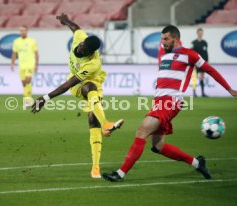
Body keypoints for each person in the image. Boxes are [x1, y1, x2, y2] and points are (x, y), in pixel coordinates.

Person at [102, 25, 237, 182]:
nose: (162, 42)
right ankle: (197, 163)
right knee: (158, 146)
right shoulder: (164, 55)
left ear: (175, 38)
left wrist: (229, 89)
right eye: (161, 39)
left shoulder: (189, 54)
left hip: (171, 101)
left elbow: (210, 70)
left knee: (141, 131)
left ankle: (120, 173)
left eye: (165, 39)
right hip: (159, 101)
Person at [31, 13, 124, 179]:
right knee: (88, 89)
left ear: (91, 52)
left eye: (85, 50)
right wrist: (65, 21)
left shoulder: (93, 63)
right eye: (81, 45)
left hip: (92, 85)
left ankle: (95, 166)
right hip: (76, 86)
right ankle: (107, 124)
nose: (80, 48)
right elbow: (76, 28)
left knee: (92, 117)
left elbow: (68, 85)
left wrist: (44, 98)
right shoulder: (81, 38)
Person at [11, 25, 39, 107]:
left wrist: (36, 64)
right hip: (21, 65)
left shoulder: (32, 41)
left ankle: (28, 101)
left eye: (23, 30)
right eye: (20, 30)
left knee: (27, 80)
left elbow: (36, 54)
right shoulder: (16, 41)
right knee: (24, 83)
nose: (22, 32)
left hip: (30, 64)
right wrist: (12, 64)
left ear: (27, 31)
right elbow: (14, 53)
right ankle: (27, 100)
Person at [191, 28, 209, 97]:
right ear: (197, 33)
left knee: (202, 77)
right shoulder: (193, 43)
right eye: (199, 33)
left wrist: (206, 61)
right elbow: (192, 53)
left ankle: (203, 93)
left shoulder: (205, 43)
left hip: (202, 63)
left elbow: (206, 53)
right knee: (194, 77)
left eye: (201, 33)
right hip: (195, 63)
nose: (200, 34)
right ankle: (194, 93)